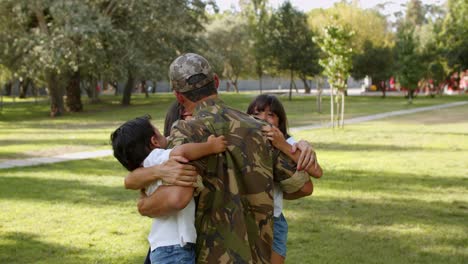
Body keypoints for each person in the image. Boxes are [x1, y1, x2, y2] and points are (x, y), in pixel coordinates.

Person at [137, 53, 313, 263]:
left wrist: (143, 204)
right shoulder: (259, 128)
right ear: (217, 82)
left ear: (179, 96)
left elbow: (177, 197)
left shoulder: (186, 131)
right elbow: (303, 187)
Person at [110, 115, 227, 264]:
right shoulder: (156, 157)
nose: (167, 136)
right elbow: (182, 152)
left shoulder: (144, 169)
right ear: (154, 141)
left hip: (162, 246)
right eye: (160, 133)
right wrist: (211, 146)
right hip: (174, 247)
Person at [247, 94, 323, 264]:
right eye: (257, 114)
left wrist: (282, 144)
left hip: (274, 219)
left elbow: (317, 172)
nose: (262, 119)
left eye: (270, 115)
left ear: (279, 121)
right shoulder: (244, 142)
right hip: (246, 218)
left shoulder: (289, 142)